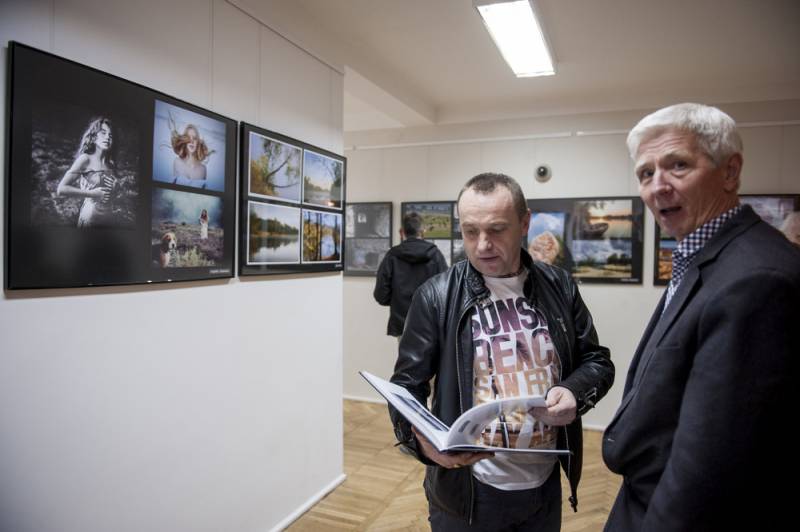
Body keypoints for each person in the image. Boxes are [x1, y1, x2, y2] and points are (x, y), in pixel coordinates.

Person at [603, 103, 800, 531]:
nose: (658, 187)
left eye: (678, 165)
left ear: (730, 172)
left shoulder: (756, 278)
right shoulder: (708, 254)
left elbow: (711, 465)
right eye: (645, 173)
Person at [390, 173, 614, 531]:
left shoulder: (559, 285)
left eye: (496, 230)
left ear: (524, 223)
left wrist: (574, 392)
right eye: (470, 231)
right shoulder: (435, 296)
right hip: (467, 494)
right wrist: (422, 441)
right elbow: (405, 388)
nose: (482, 245)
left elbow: (597, 361)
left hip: (543, 487)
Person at [373, 212, 448, 337]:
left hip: (402, 323)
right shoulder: (435, 255)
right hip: (430, 322)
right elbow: (446, 290)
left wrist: (396, 302)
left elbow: (381, 294)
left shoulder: (392, 256)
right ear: (423, 232)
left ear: (401, 232)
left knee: (404, 350)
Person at [56, 116, 118, 228]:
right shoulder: (85, 159)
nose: (107, 137)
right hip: (90, 219)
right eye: (103, 133)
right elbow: (61, 189)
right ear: (94, 137)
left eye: (110, 135)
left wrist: (116, 187)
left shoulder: (110, 163)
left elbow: (108, 195)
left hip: (109, 219)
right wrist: (92, 194)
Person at [172, 123, 210, 188]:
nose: (191, 141)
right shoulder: (177, 162)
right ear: (185, 141)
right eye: (188, 138)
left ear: (198, 143)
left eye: (194, 138)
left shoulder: (203, 169)